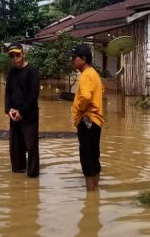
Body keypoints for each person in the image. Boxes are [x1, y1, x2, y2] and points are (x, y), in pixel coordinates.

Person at [67, 43, 104, 191]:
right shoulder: (94, 73)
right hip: (96, 121)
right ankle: (95, 193)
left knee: (87, 159)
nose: (72, 61)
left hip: (87, 119)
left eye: (74, 58)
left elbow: (86, 96)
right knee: (94, 156)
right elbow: (100, 91)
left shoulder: (85, 75)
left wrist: (80, 110)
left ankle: (90, 194)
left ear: (83, 58)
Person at [4, 43, 40, 177]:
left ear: (23, 54)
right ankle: (17, 175)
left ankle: (32, 176)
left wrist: (22, 112)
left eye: (17, 55)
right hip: (14, 114)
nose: (15, 58)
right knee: (15, 148)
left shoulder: (32, 70)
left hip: (29, 115)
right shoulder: (12, 72)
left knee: (31, 147)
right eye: (12, 56)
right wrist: (8, 110)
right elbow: (8, 92)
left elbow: (33, 94)